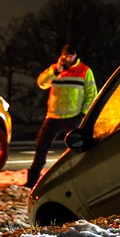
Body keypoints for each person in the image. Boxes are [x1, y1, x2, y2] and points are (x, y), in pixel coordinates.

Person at [25, 43, 97, 188]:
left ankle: (84, 177)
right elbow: (41, 83)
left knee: (79, 147)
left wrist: (83, 114)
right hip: (53, 115)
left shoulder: (84, 70)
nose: (67, 59)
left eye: (70, 56)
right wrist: (55, 71)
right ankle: (31, 181)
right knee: (41, 146)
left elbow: (91, 93)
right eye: (65, 56)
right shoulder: (55, 69)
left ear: (75, 56)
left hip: (73, 116)